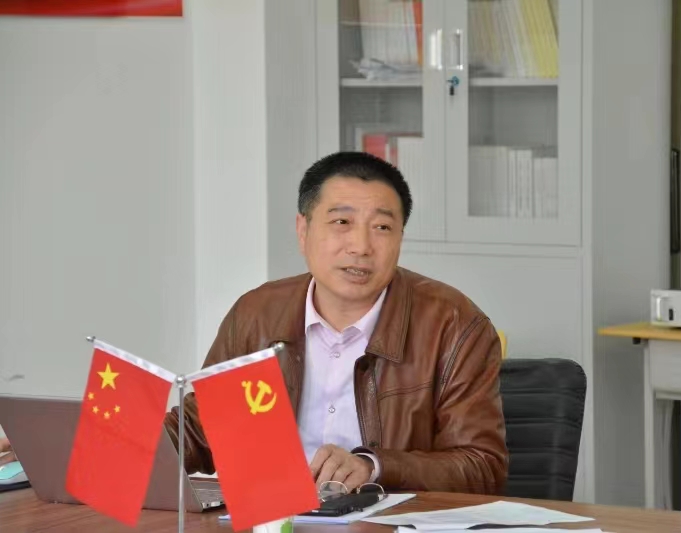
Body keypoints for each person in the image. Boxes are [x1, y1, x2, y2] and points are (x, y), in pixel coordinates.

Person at [164, 151, 508, 494]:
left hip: (385, 517)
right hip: (272, 513)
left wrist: (374, 467)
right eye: (342, 222)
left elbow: (482, 467)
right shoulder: (257, 314)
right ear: (303, 231)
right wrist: (139, 442)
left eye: (382, 228)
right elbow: (203, 429)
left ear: (400, 239)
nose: (361, 246)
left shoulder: (455, 325)